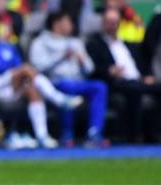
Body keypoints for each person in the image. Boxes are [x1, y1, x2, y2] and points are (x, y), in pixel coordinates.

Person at [0, 15, 82, 149]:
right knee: (25, 69)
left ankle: (42, 136)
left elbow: (18, 64)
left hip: (11, 87)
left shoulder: (7, 46)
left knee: (32, 89)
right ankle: (58, 98)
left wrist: (16, 76)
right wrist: (13, 73)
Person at [87, 8, 161, 144]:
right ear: (103, 23)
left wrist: (148, 75)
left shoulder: (128, 44)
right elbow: (92, 69)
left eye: (115, 22)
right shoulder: (95, 45)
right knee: (135, 89)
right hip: (116, 82)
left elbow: (143, 63)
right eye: (109, 22)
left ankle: (155, 132)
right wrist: (109, 71)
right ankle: (135, 135)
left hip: (138, 80)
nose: (112, 25)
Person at [29, 12, 108, 146]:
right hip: (54, 83)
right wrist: (61, 57)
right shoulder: (40, 42)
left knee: (100, 86)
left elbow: (90, 69)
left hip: (79, 81)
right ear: (56, 24)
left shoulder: (76, 42)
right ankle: (67, 133)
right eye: (67, 22)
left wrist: (82, 61)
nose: (71, 25)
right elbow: (37, 68)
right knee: (67, 86)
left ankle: (94, 132)